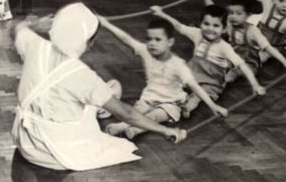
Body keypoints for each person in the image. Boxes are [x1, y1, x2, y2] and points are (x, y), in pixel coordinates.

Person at [11, 3, 186, 171]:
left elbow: (17, 28)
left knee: (102, 91)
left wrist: (35, 25)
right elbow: (127, 113)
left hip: (25, 142)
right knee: (104, 94)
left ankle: (98, 106)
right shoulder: (82, 75)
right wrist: (165, 129)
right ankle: (99, 108)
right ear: (90, 42)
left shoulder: (35, 44)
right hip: (54, 152)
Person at [98, 16, 228, 140]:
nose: (152, 43)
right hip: (149, 99)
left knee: (155, 116)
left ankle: (135, 130)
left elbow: (195, 86)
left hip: (171, 103)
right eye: (149, 39)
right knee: (136, 111)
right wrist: (106, 24)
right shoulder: (145, 51)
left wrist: (213, 106)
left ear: (170, 42)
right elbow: (126, 38)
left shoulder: (178, 64)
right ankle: (124, 125)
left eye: (158, 39)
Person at [152, 5, 265, 118]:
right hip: (191, 72)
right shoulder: (197, 33)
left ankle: (187, 107)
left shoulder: (224, 47)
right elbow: (178, 26)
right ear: (201, 24)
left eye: (216, 25)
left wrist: (255, 85)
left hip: (210, 81)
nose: (210, 29)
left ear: (224, 29)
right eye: (206, 24)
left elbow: (242, 65)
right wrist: (161, 14)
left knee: (198, 96)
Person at [193, 0, 286, 83]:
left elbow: (269, 48)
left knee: (234, 72)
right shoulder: (231, 24)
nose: (233, 17)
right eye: (231, 13)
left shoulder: (253, 31)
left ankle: (215, 84)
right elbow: (215, 12)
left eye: (239, 14)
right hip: (234, 57)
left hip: (249, 62)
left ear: (248, 16)